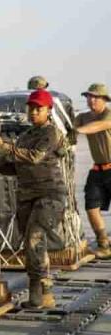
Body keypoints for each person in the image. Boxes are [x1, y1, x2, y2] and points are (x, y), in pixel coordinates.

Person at [0, 89, 68, 309]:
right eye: (31, 108)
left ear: (48, 111)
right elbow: (14, 167)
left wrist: (6, 147)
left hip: (50, 195)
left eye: (39, 109)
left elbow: (35, 157)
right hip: (27, 196)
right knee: (30, 244)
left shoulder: (51, 133)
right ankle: (40, 293)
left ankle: (43, 292)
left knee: (35, 238)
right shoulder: (26, 136)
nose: (34, 112)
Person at [73, 83, 111, 259]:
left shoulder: (108, 115)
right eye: (89, 96)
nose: (91, 100)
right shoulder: (83, 117)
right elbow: (69, 125)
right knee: (91, 206)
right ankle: (104, 243)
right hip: (98, 169)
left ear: (104, 100)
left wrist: (77, 131)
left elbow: (98, 126)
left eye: (95, 97)